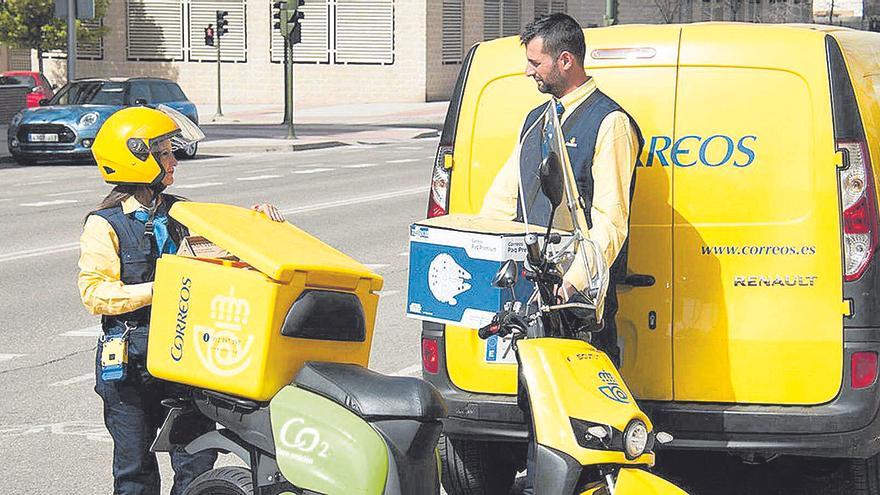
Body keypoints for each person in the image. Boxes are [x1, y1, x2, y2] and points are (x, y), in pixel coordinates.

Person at [77, 106, 283, 495]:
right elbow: (95, 293)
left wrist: (258, 223)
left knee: (197, 461)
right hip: (131, 364)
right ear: (136, 156)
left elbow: (231, 253)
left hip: (186, 358)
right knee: (134, 469)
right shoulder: (104, 224)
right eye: (165, 153)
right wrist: (162, 288)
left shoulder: (183, 212)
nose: (174, 161)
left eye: (172, 151)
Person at [481, 13, 644, 367]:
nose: (528, 71)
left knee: (586, 417)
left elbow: (610, 221)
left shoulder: (609, 123)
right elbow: (505, 196)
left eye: (535, 62)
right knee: (536, 408)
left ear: (565, 61)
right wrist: (479, 254)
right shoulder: (536, 119)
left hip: (575, 304)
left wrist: (571, 283)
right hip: (533, 296)